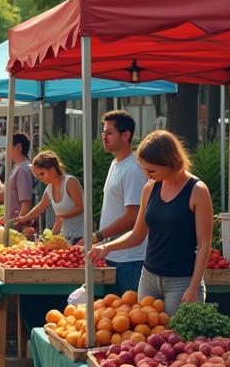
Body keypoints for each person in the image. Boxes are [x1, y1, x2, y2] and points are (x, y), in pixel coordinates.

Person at [90, 131, 212, 316]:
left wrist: (194, 287)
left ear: (171, 161)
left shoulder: (198, 191)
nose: (147, 175)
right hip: (148, 278)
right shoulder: (150, 188)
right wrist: (107, 247)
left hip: (182, 281)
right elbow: (137, 235)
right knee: (145, 339)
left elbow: (204, 245)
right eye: (144, 169)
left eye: (151, 170)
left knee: (176, 340)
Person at [96, 109, 149, 298]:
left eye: (109, 133)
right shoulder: (116, 163)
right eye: (103, 132)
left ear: (126, 135)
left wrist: (99, 235)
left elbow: (133, 216)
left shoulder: (133, 169)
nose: (104, 137)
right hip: (114, 254)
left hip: (131, 259)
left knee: (133, 318)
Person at [14, 151, 85, 242]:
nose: (40, 178)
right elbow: (41, 206)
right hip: (65, 237)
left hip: (81, 237)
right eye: (38, 176)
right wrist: (25, 218)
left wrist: (62, 217)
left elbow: (80, 207)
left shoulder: (70, 182)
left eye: (42, 174)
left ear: (52, 169)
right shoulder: (49, 189)